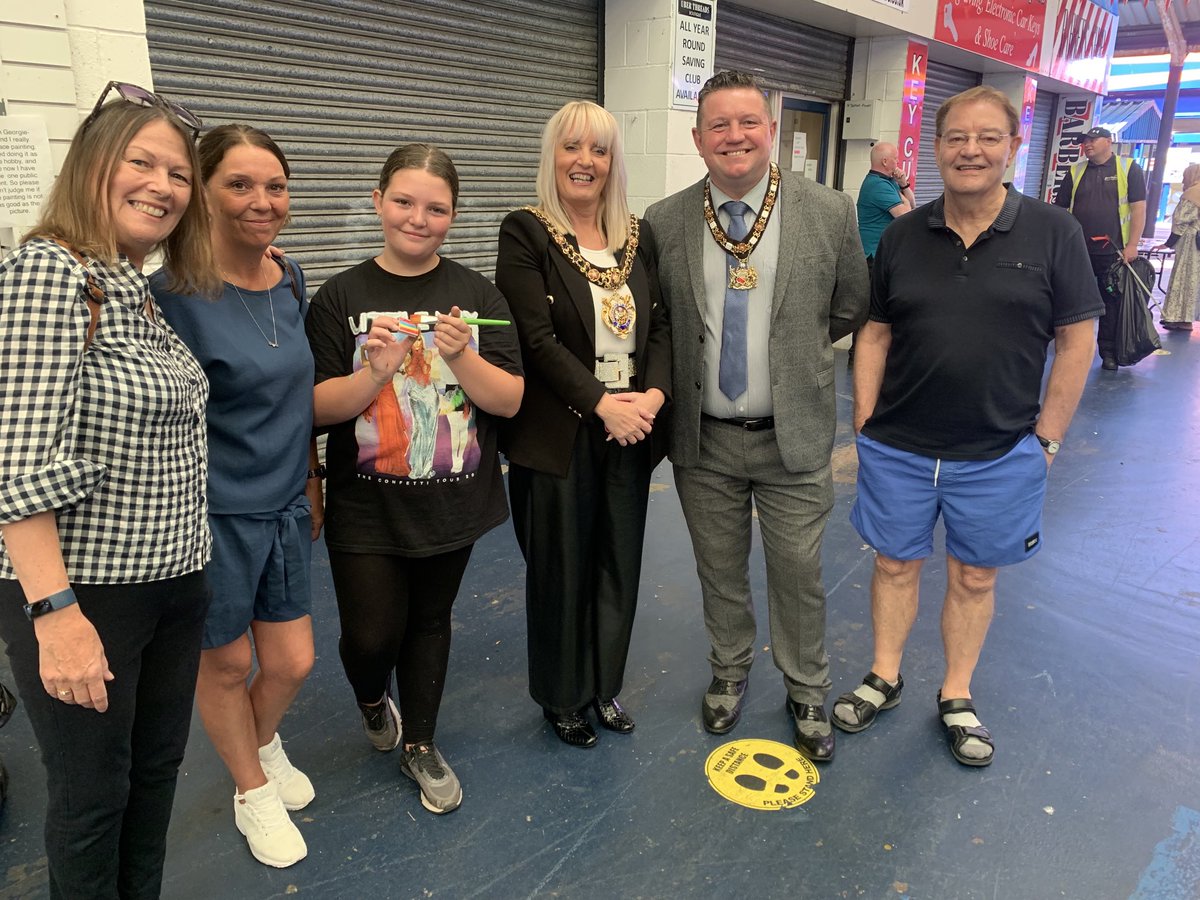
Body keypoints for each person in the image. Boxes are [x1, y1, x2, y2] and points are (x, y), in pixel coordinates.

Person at [837, 86, 1102, 767]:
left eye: (988, 137)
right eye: (957, 137)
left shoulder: (1054, 233)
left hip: (998, 449)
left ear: (1013, 147)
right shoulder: (902, 235)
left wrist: (1046, 439)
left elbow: (1077, 342)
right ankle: (884, 676)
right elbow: (875, 331)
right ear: (936, 148)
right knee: (894, 564)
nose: (971, 150)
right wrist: (864, 420)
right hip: (897, 445)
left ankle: (955, 693)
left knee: (975, 577)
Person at [0, 81, 217, 897]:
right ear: (94, 162)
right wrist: (55, 618)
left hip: (170, 584)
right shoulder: (48, 274)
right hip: (88, 594)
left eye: (179, 174)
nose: (163, 185)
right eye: (142, 162)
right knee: (92, 798)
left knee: (153, 777)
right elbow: (16, 464)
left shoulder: (133, 289)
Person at [645, 70, 868, 763]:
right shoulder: (665, 219)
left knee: (798, 570)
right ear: (698, 138)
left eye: (748, 123)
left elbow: (849, 303)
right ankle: (729, 670)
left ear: (771, 131)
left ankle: (806, 688)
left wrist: (793, 360)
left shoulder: (827, 211)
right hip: (703, 439)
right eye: (719, 125)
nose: (734, 137)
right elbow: (661, 324)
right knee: (719, 569)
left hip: (792, 435)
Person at [306, 144, 523, 814]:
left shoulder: (477, 296)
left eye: (436, 208)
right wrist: (373, 372)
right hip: (364, 505)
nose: (417, 218)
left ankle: (421, 743)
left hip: (453, 501)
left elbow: (509, 401)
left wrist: (460, 360)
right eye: (403, 201)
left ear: (453, 217)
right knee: (370, 635)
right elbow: (315, 407)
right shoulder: (340, 297)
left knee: (431, 621)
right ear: (377, 201)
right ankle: (373, 698)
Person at [152, 124, 320, 868]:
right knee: (222, 667)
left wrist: (312, 482)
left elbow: (299, 397)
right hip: (214, 515)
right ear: (204, 195)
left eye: (275, 186)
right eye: (240, 185)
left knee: (290, 662)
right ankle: (250, 789)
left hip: (283, 505)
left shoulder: (290, 279)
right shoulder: (169, 297)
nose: (263, 201)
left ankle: (260, 739)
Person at [495, 101, 671, 749]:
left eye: (598, 150)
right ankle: (562, 696)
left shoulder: (637, 235)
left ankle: (604, 686)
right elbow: (535, 339)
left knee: (617, 563)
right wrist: (603, 404)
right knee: (561, 570)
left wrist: (652, 396)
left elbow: (662, 325)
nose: (585, 161)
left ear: (612, 162)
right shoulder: (526, 232)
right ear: (553, 155)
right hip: (562, 432)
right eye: (572, 147)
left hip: (631, 429)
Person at [1053, 125, 1147, 370]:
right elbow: (1060, 210)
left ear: (1108, 142)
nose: (1087, 145)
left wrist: (1133, 244)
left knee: (1111, 303)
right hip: (1077, 251)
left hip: (1113, 252)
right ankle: (1067, 346)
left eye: (1093, 140)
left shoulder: (1128, 169)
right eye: (1085, 141)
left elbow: (1138, 208)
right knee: (1071, 300)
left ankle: (1109, 352)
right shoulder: (1075, 170)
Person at [850, 142, 916, 367]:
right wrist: (903, 193)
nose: (898, 163)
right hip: (873, 257)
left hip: (883, 256)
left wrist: (903, 184)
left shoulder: (887, 183)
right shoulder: (877, 185)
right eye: (896, 159)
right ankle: (858, 358)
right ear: (886, 162)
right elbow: (906, 215)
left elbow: (912, 203)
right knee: (872, 312)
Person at [1157, 163, 1200, 331]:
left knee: (1183, 277)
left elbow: (1181, 220)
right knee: (1194, 281)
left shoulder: (1192, 194)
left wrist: (1168, 243)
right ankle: (1187, 318)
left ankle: (1178, 317)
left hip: (1190, 243)